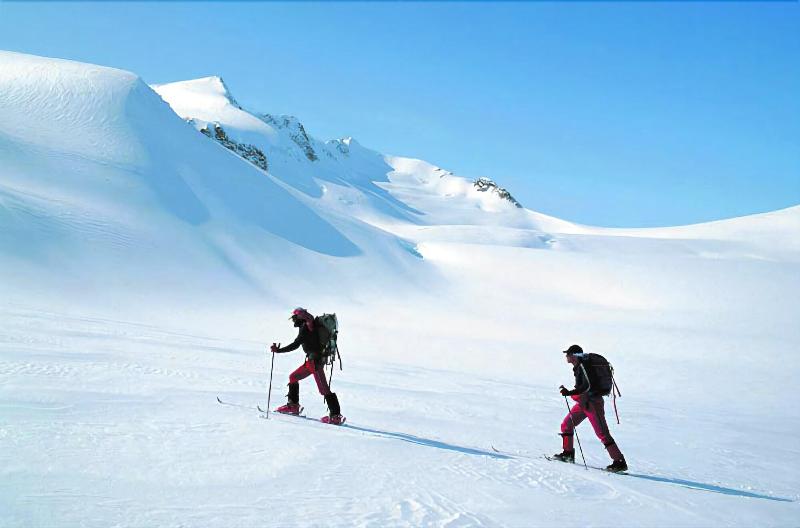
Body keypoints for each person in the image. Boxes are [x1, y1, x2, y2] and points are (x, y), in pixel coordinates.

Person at [553, 344, 627, 472]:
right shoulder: (579, 366)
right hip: (584, 403)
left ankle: (619, 462)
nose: (566, 356)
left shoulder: (584, 366)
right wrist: (570, 392)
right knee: (566, 425)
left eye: (568, 354)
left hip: (593, 403)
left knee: (602, 433)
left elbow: (587, 387)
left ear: (574, 355)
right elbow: (583, 387)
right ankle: (568, 454)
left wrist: (569, 393)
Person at [270, 307, 344, 425]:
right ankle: (293, 406)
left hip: (315, 363)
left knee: (324, 389)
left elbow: (295, 344)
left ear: (300, 317)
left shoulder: (306, 327)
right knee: (293, 377)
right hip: (311, 362)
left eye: (294, 318)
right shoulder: (308, 325)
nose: (293, 321)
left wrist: (278, 350)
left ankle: (335, 416)